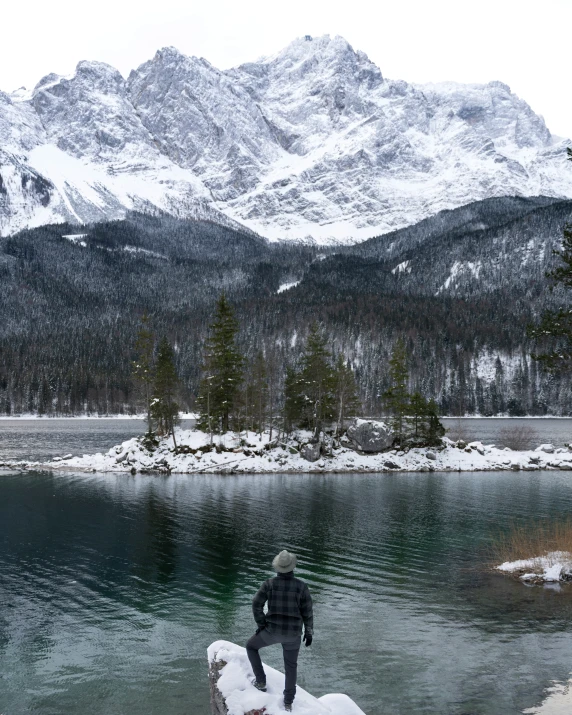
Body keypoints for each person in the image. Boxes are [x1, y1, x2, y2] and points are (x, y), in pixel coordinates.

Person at [246, 550, 314, 712]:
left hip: (271, 632)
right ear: (292, 568)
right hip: (293, 635)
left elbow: (256, 604)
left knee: (251, 646)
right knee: (291, 666)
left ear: (277, 567)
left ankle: (261, 681)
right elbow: (308, 612)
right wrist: (309, 632)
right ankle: (288, 702)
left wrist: (261, 624)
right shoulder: (301, 586)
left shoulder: (269, 584)